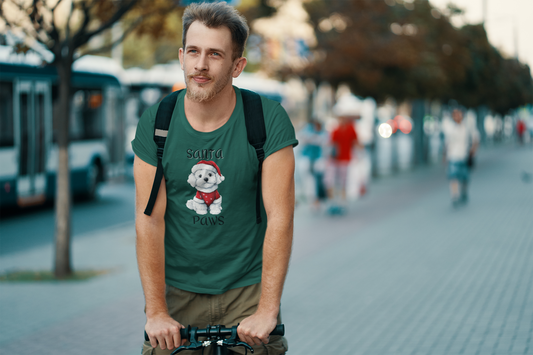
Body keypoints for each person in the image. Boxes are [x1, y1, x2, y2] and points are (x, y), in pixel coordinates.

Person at [131, 3, 298, 354]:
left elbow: (280, 218)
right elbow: (149, 220)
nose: (200, 65)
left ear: (237, 66)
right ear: (181, 56)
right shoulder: (157, 122)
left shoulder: (267, 120)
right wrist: (156, 311)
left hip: (247, 291)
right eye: (193, 51)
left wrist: (267, 309)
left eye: (215, 55)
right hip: (175, 292)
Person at [325, 95, 362, 214]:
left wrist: (360, 154)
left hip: (345, 159)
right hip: (335, 159)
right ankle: (333, 202)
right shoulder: (336, 129)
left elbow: (356, 143)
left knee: (342, 181)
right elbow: (330, 144)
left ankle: (342, 202)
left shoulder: (351, 129)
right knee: (330, 180)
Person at [442, 108, 479, 207]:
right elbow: (446, 143)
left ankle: (463, 192)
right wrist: (444, 155)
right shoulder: (450, 127)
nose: (457, 116)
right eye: (454, 114)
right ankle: (455, 196)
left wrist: (473, 150)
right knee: (453, 176)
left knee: (464, 178)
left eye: (458, 114)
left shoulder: (468, 126)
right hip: (453, 156)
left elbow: (476, 139)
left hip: (465, 156)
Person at [297, 119, 328, 208]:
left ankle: (316, 199)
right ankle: (312, 199)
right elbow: (302, 138)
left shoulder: (322, 134)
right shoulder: (307, 131)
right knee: (309, 181)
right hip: (307, 160)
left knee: (316, 182)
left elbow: (323, 142)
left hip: (317, 160)